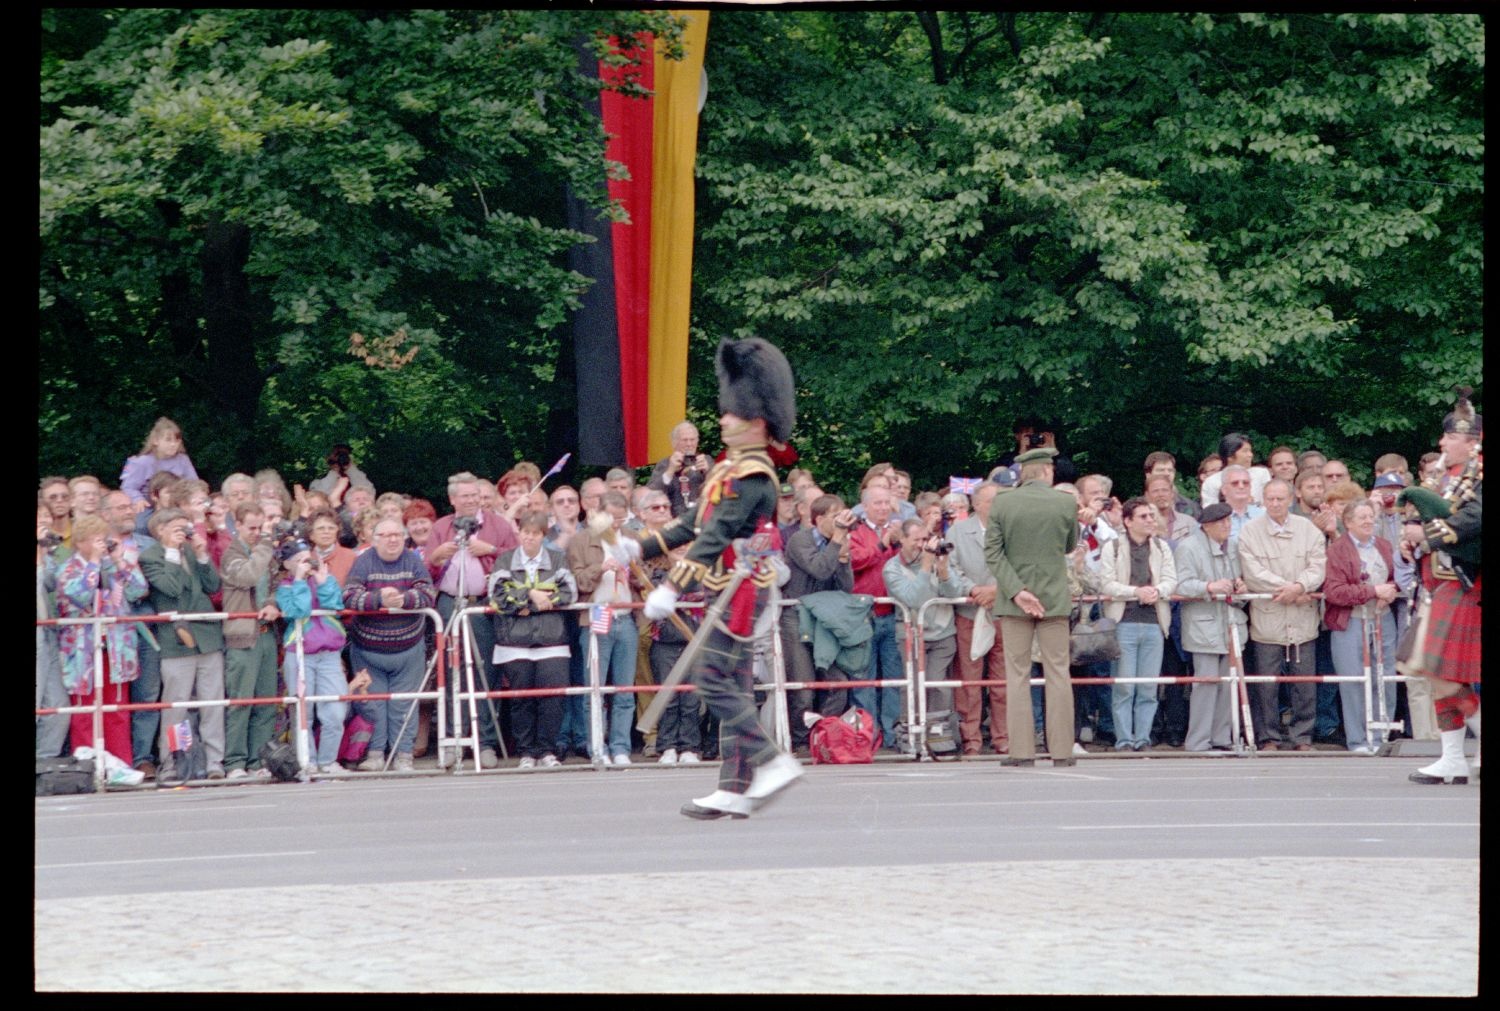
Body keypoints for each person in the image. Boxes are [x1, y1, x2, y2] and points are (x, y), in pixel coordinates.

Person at [615, 337, 805, 819]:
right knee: (732, 685)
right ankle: (735, 787)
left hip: (739, 593)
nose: (722, 419)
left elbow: (712, 537)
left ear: (755, 421)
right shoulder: (732, 469)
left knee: (712, 679)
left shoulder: (752, 475)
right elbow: (693, 522)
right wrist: (641, 545)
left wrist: (670, 587)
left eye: (732, 414)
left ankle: (771, 761)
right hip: (728, 589)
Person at [1398, 386, 1482, 785]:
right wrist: (1410, 539)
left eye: (1450, 436)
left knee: (1435, 667)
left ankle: (1461, 754)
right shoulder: (1445, 477)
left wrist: (1428, 535)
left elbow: (1474, 520)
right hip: (1436, 583)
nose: (1442, 442)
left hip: (1467, 584)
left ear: (1471, 441)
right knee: (1434, 671)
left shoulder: (1479, 475)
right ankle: (1452, 759)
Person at [984, 446, 1079, 766]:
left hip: (1014, 603)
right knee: (1058, 674)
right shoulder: (1065, 502)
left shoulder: (1002, 501)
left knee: (1017, 674)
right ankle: (1063, 751)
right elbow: (1070, 545)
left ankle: (1022, 751)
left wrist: (1017, 591)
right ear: (1048, 472)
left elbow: (993, 554)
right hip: (1054, 598)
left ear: (1022, 474)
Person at [428, 472, 517, 769]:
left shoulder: (498, 524)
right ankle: (453, 738)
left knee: (484, 673)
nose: (469, 500)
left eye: (473, 495)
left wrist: (490, 550)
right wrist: (437, 556)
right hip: (449, 603)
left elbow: (518, 558)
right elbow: (425, 567)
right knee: (451, 672)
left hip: (481, 605)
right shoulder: (441, 527)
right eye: (463, 496)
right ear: (453, 499)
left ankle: (486, 741)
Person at [55, 514, 150, 770]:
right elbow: (79, 596)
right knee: (85, 714)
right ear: (81, 542)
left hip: (117, 649)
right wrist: (94, 563)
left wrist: (119, 560)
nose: (102, 544)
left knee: (117, 711)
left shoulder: (115, 564)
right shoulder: (68, 569)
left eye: (103, 538)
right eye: (96, 540)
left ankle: (121, 766)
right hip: (81, 652)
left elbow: (138, 591)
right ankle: (88, 769)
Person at [1237, 479, 1326, 751]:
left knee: (1304, 683)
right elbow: (1252, 572)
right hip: (1268, 618)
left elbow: (1318, 564)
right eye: (1270, 499)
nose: (1275, 504)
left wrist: (1300, 586)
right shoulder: (1249, 532)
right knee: (1266, 684)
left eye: (1280, 499)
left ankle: (1302, 737)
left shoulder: (1309, 530)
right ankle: (1269, 737)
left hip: (1302, 617)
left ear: (1290, 500)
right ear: (1263, 500)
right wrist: (1286, 589)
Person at [342, 517, 437, 772]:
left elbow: (429, 594)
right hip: (368, 650)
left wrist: (403, 600)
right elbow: (349, 597)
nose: (393, 540)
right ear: (375, 540)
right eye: (387, 535)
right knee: (373, 704)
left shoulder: (413, 561)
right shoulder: (363, 561)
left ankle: (403, 755)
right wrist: (378, 599)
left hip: (408, 648)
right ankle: (374, 754)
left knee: (404, 704)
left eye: (398, 535)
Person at [140, 507, 226, 781]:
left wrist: (201, 554)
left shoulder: (191, 549)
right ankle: (171, 763)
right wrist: (172, 553)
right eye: (177, 527)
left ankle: (215, 763)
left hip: (207, 636)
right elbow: (171, 588)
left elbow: (213, 586)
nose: (183, 532)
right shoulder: (150, 556)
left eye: (184, 527)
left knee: (212, 703)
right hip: (176, 640)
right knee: (175, 706)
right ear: (160, 530)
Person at [488, 512, 577, 770]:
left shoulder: (558, 558)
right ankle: (526, 752)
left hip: (552, 640)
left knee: (552, 699)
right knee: (521, 699)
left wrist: (535, 605)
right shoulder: (505, 559)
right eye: (525, 532)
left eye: (534, 533)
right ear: (519, 533)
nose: (528, 537)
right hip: (514, 642)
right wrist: (530, 595)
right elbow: (497, 596)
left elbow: (569, 592)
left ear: (543, 535)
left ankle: (547, 750)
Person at [567, 490, 645, 765]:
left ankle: (621, 747)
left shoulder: (632, 538)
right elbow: (578, 583)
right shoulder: (581, 540)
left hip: (626, 616)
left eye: (621, 519)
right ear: (599, 514)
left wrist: (634, 571)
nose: (616, 524)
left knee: (624, 689)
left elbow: (644, 581)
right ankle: (597, 747)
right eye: (611, 518)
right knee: (595, 689)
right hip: (597, 614)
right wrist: (601, 568)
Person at [1099, 497, 1177, 751]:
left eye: (1151, 516)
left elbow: (1170, 579)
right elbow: (1106, 583)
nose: (1149, 521)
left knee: (1148, 686)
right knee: (1124, 686)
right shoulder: (1113, 548)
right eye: (1143, 516)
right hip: (1124, 623)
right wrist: (1136, 592)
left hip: (1155, 623)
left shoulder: (1162, 547)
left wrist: (1156, 590)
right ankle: (1124, 739)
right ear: (1128, 521)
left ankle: (1142, 738)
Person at [781, 493, 858, 750]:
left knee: (838, 682)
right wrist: (837, 542)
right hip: (796, 617)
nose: (840, 522)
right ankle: (801, 743)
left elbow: (845, 587)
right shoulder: (800, 539)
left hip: (823, 619)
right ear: (819, 518)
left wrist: (844, 560)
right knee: (803, 687)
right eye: (836, 517)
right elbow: (819, 569)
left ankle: (824, 734)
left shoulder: (836, 542)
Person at [1323, 500, 1400, 754]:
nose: (1369, 521)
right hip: (1351, 620)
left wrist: (1391, 590)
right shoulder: (1337, 550)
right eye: (1362, 517)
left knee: (1385, 676)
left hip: (1382, 617)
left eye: (1371, 516)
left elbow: (1396, 576)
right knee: (1353, 678)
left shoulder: (1384, 545)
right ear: (1348, 523)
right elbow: (1334, 591)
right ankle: (1358, 740)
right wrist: (1371, 591)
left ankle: (1382, 737)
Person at [883, 518, 963, 756]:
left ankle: (938, 733)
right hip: (911, 636)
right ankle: (910, 733)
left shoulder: (936, 559)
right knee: (913, 685)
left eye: (924, 539)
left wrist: (944, 569)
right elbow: (913, 599)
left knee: (937, 684)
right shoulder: (891, 568)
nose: (921, 545)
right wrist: (926, 568)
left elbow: (955, 593)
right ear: (902, 540)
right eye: (916, 540)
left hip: (942, 633)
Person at [1173, 503, 1249, 752]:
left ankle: (1222, 737)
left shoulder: (1235, 547)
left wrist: (1241, 589)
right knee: (1205, 684)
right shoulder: (1188, 547)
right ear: (1205, 526)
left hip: (1230, 623)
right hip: (1203, 626)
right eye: (1221, 522)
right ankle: (1198, 740)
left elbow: (1239, 583)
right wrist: (1209, 587)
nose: (1227, 526)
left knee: (1229, 684)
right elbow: (1181, 585)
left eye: (1229, 521)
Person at [102, 490, 163, 777]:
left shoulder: (148, 544)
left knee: (147, 693)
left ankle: (142, 757)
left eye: (130, 507)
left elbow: (150, 587)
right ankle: (114, 757)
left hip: (144, 621)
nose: (129, 511)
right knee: (113, 695)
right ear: (105, 514)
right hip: (110, 629)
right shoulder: (97, 546)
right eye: (121, 508)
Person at [218, 504, 282, 779]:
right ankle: (234, 762)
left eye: (260, 528)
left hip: (267, 633)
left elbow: (276, 583)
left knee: (267, 703)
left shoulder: (265, 552)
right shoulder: (231, 554)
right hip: (241, 637)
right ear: (238, 525)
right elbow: (249, 575)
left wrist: (272, 604)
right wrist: (266, 543)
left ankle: (258, 761)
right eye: (251, 528)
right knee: (241, 702)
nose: (257, 533)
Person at [276, 544, 351, 775]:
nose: (307, 564)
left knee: (336, 711)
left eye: (309, 559)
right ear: (288, 565)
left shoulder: (323, 581)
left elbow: (336, 606)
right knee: (302, 712)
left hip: (328, 654)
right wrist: (299, 581)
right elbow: (298, 612)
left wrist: (324, 582)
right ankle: (307, 760)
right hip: (299, 655)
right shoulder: (284, 587)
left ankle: (328, 761)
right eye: (300, 561)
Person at [948, 481, 1008, 756]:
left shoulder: (1012, 530)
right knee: (970, 683)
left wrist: (997, 590)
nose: (997, 506)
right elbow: (951, 568)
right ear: (977, 504)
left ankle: (1003, 738)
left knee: (1003, 682)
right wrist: (972, 590)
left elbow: (1020, 565)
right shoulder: (958, 531)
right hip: (970, 614)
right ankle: (971, 739)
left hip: (1004, 612)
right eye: (992, 501)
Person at [848, 481, 904, 748]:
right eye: (877, 503)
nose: (883, 508)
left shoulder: (899, 530)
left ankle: (893, 735)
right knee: (864, 681)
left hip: (893, 614)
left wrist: (899, 541)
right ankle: (868, 737)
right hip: (865, 616)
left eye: (886, 503)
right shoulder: (855, 532)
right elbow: (855, 561)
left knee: (894, 679)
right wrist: (883, 543)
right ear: (865, 507)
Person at [119, 417, 199, 512]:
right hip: (149, 506)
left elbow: (194, 484)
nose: (173, 444)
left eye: (176, 440)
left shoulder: (183, 459)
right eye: (168, 440)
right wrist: (138, 499)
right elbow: (128, 487)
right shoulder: (142, 462)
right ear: (155, 441)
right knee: (141, 525)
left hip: (178, 505)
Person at [648, 420, 712, 517]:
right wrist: (670, 471)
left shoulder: (707, 460)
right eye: (685, 440)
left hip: (702, 516)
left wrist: (708, 472)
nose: (689, 444)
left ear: (697, 441)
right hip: (675, 519)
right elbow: (651, 494)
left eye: (692, 440)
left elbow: (723, 488)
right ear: (674, 443)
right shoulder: (665, 463)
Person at [1200, 432, 1272, 507]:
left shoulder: (1261, 474)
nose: (1250, 455)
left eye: (1250, 451)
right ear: (1230, 456)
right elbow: (1210, 511)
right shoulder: (1212, 482)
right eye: (1245, 451)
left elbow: (1269, 503)